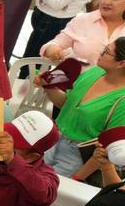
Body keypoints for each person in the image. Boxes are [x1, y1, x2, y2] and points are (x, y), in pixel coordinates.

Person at [41, 37, 125, 177]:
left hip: (76, 155)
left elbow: (107, 148)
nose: (100, 52)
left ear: (121, 63)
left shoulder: (122, 100)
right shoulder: (94, 72)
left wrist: (79, 177)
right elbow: (65, 104)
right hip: (52, 138)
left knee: (45, 192)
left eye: (106, 51)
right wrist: (48, 86)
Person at [42, 0, 125, 68]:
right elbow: (55, 44)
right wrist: (52, 49)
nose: (107, 2)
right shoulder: (83, 20)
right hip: (76, 80)